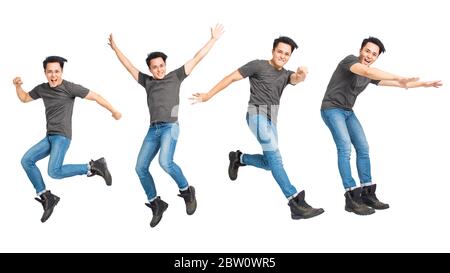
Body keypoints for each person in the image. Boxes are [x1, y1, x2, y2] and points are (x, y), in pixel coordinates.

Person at [191, 36, 324, 220]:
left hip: (272, 121)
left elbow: (296, 78)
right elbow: (230, 78)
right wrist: (208, 95)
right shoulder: (258, 65)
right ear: (272, 51)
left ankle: (239, 158)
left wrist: (302, 74)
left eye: (287, 54)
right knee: (276, 158)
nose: (282, 56)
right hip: (256, 115)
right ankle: (294, 201)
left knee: (271, 164)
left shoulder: (286, 74)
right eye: (280, 51)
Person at [108, 24, 225, 228]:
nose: (159, 69)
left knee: (165, 162)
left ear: (165, 65)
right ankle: (156, 203)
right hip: (153, 130)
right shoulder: (147, 82)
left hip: (170, 127)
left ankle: (187, 190)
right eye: (155, 67)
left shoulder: (175, 76)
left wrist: (213, 39)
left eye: (161, 65)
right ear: (150, 69)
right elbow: (128, 66)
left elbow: (197, 57)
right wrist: (116, 49)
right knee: (140, 167)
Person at [320, 37, 442, 215]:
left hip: (347, 111)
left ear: (376, 58)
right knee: (345, 147)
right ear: (361, 50)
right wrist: (398, 76)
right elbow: (369, 73)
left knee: (363, 147)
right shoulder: (350, 61)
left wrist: (422, 84)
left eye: (374, 54)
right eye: (367, 51)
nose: (369, 56)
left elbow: (398, 84)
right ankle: (351, 197)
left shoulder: (370, 74)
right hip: (331, 109)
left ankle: (367, 192)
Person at [13, 55, 122, 223]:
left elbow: (95, 96)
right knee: (26, 160)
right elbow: (25, 98)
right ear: (45, 73)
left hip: (62, 137)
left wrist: (113, 111)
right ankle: (46, 197)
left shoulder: (69, 88)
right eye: (50, 72)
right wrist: (18, 86)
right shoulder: (42, 89)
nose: (53, 75)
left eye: (57, 71)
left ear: (62, 72)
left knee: (54, 171)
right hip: (49, 137)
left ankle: (93, 166)